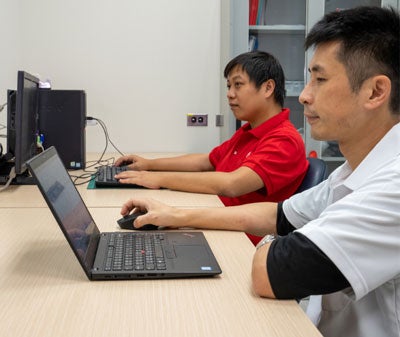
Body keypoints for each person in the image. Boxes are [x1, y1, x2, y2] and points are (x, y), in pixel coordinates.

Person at [118, 6, 400, 337]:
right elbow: (279, 215)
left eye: (320, 79)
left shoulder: (391, 188)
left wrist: (157, 180)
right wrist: (174, 214)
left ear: (376, 92)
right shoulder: (352, 172)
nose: (305, 96)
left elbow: (272, 270)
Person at [115, 51, 309, 245]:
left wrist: (158, 179)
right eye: (228, 86)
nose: (230, 93)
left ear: (267, 88)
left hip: (242, 240)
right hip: (218, 221)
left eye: (238, 85)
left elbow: (232, 184)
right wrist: (149, 165)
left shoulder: (284, 140)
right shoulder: (249, 131)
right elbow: (206, 161)